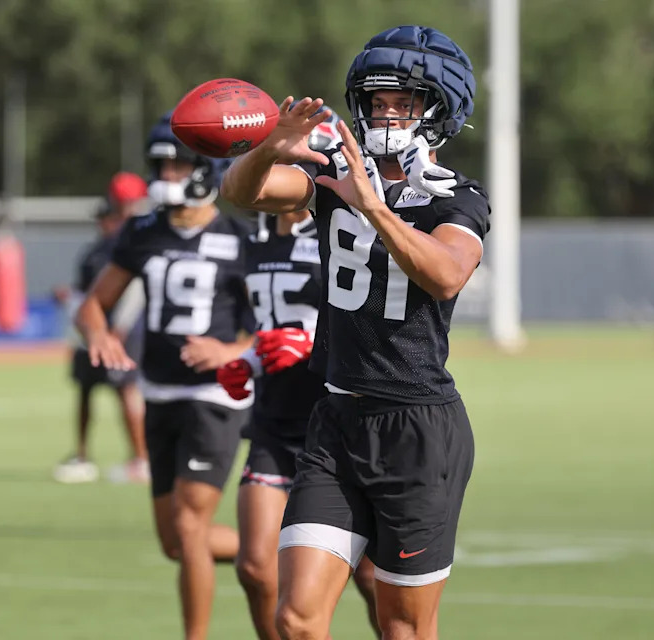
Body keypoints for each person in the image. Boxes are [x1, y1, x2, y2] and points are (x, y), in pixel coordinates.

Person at [220, 25, 489, 640]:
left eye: (404, 102)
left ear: (440, 109)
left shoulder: (458, 197)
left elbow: (446, 275)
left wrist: (375, 207)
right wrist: (270, 149)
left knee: (402, 628)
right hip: (336, 422)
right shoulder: (336, 174)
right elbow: (241, 193)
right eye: (376, 101)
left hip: (418, 430)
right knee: (296, 620)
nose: (385, 114)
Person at [76, 112, 254, 639]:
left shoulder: (240, 238)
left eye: (179, 163)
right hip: (159, 392)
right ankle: (279, 549)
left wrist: (231, 350)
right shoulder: (143, 230)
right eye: (162, 163)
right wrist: (100, 334)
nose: (169, 173)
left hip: (215, 396)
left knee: (190, 526)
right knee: (174, 541)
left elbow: (271, 322)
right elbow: (93, 305)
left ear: (207, 168)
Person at [215, 108, 378, 639]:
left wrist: (306, 344)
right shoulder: (255, 233)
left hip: (337, 419)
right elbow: (269, 325)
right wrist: (247, 358)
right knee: (255, 568)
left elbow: (372, 321)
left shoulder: (344, 228)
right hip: (275, 420)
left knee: (375, 580)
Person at [54, 172, 151, 484]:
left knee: (126, 390)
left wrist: (118, 328)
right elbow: (85, 292)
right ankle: (81, 455)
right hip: (91, 332)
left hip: (120, 331)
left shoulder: (137, 239)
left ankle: (140, 459)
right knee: (85, 390)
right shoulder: (99, 248)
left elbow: (136, 287)